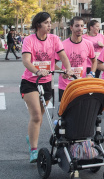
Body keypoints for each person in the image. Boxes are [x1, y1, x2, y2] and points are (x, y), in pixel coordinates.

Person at [21, 12, 73, 163]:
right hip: (30, 81)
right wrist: (37, 71)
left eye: (50, 22)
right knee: (36, 115)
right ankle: (33, 150)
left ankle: (31, 136)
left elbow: (63, 56)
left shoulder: (54, 39)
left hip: (47, 82)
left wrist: (67, 69)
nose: (49, 25)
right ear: (38, 25)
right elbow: (26, 60)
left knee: (40, 116)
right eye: (46, 23)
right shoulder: (29, 40)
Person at [56, 16, 96, 100]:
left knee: (80, 111)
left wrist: (91, 74)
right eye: (77, 26)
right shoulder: (63, 45)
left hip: (80, 84)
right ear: (71, 27)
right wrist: (62, 72)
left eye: (82, 26)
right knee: (66, 112)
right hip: (65, 86)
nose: (80, 28)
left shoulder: (88, 44)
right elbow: (53, 62)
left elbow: (94, 61)